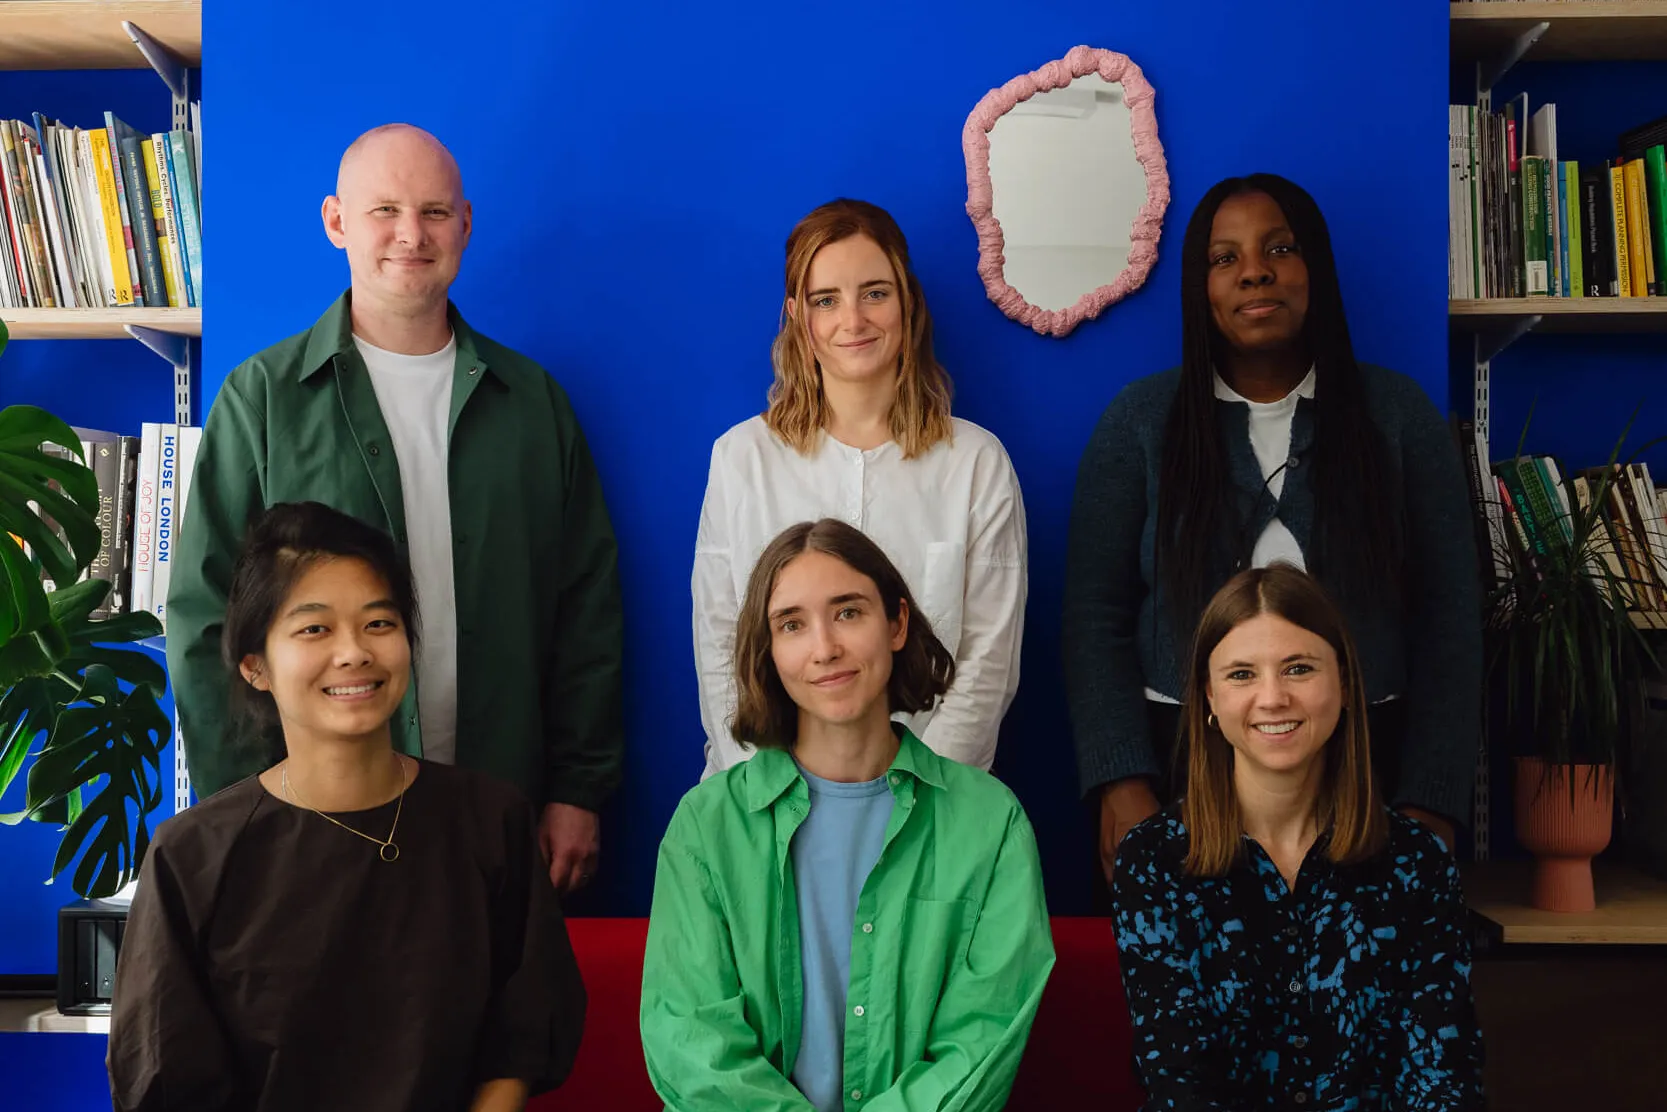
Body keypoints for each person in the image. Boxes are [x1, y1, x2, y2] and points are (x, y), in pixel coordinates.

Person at [167, 123, 623, 894]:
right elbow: (204, 616)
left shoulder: (534, 405)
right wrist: (247, 798)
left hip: (500, 809)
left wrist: (578, 789)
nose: (411, 235)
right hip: (314, 811)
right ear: (337, 222)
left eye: (435, 213)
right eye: (384, 210)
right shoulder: (264, 400)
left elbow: (587, 612)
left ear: (466, 225)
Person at [1063, 173, 1481, 887]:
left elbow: (1450, 615)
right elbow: (1091, 615)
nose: (1253, 269)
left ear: (1312, 268)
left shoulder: (1395, 416)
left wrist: (1431, 796)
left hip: (1368, 766)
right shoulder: (1139, 422)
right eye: (1223, 258)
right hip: (1178, 767)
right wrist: (1118, 777)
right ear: (1200, 289)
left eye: (1278, 248)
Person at [109, 501, 586, 1112]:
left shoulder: (491, 822)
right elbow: (165, 1077)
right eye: (314, 629)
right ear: (256, 666)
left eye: (379, 624)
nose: (355, 652)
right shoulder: (191, 857)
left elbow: (520, 1038)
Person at [645, 518, 1054, 1110]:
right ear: (771, 652)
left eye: (848, 612)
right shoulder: (706, 827)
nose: (824, 648)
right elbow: (693, 1042)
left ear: (897, 623)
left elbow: (981, 1042)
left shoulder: (992, 823)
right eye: (791, 624)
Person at [1112, 564, 1485, 1111]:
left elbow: (1443, 1078)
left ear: (1346, 685)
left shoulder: (1418, 863)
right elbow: (1179, 1084)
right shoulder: (1153, 861)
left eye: (1299, 668)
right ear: (1209, 699)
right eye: (1241, 674)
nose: (1272, 697)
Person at [693, 198, 1027, 779]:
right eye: (827, 300)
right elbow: (722, 649)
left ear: (908, 303)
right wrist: (771, 796)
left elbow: (987, 665)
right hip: (765, 802)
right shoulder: (741, 460)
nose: (853, 320)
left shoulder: (976, 464)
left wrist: (916, 801)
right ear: (798, 315)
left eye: (875, 293)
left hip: (934, 804)